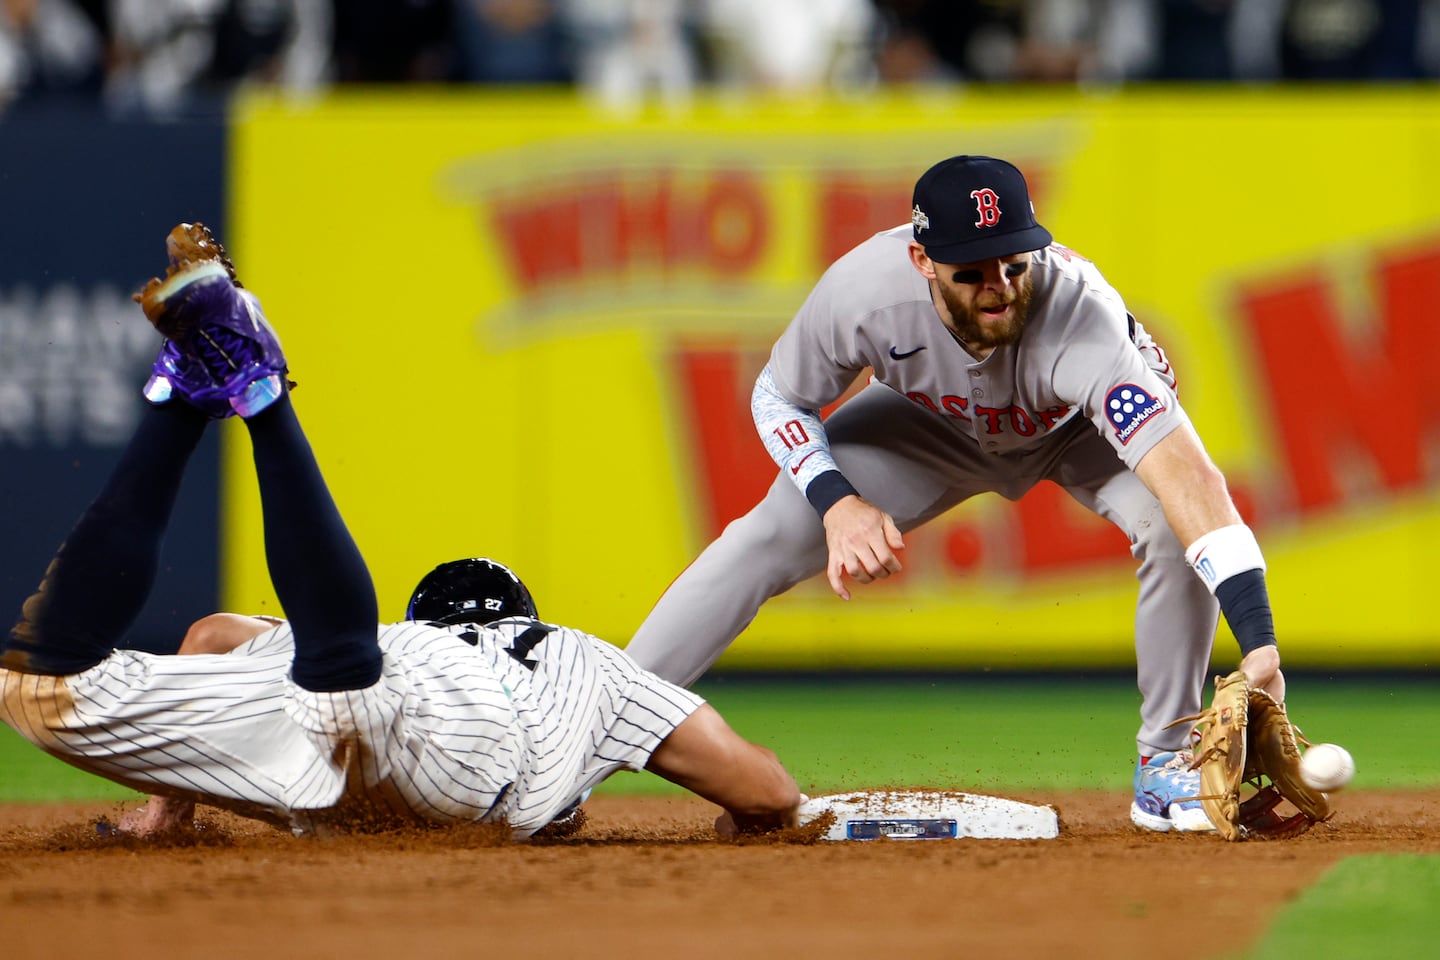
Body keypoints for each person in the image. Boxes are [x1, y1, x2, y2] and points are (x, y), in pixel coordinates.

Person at [0, 222, 800, 839]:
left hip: (354, 697)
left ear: (427, 622)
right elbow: (765, 792)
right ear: (523, 615)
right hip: (451, 745)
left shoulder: (415, 640)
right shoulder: (590, 664)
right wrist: (748, 817)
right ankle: (257, 394)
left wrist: (169, 811)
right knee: (350, 697)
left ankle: (190, 394)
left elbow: (210, 633)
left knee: (36, 690)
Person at [625, 155, 1288, 834]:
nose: (998, 286)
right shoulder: (864, 293)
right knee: (765, 537)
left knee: (1171, 525)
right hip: (926, 427)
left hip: (1073, 433)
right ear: (922, 260)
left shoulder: (1082, 318)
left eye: (1013, 262)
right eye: (970, 270)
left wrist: (1259, 641)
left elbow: (1193, 482)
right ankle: (593, 724)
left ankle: (1164, 767)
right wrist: (836, 503)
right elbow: (779, 396)